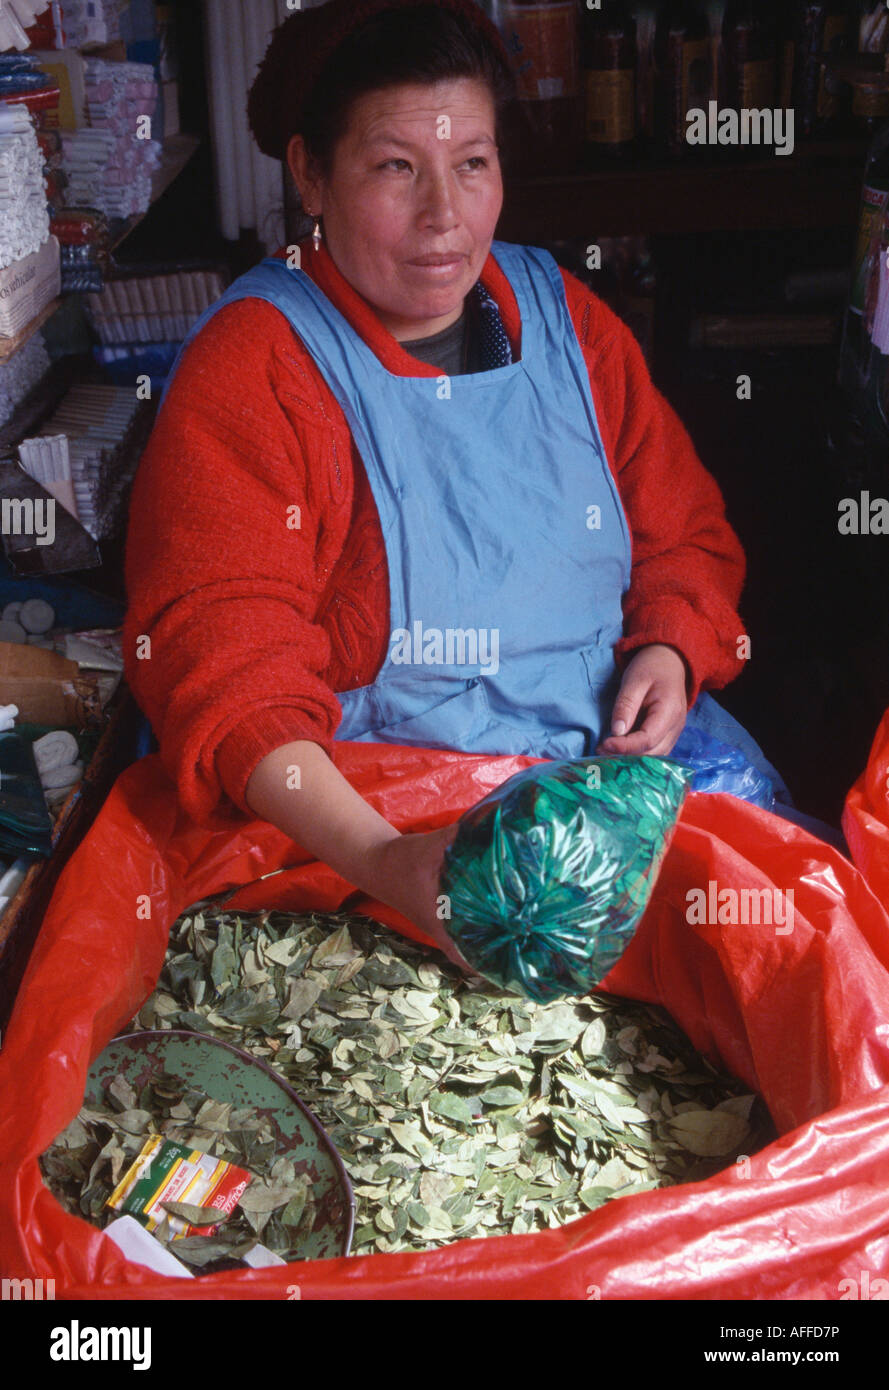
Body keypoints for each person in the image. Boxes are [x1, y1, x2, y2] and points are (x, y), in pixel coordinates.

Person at [123, 0, 799, 968]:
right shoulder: (257, 365)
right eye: (396, 168)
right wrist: (392, 861)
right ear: (310, 173)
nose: (445, 217)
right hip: (368, 818)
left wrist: (671, 648)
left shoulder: (565, 317)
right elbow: (222, 666)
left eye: (471, 164)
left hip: (602, 777)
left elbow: (680, 533)